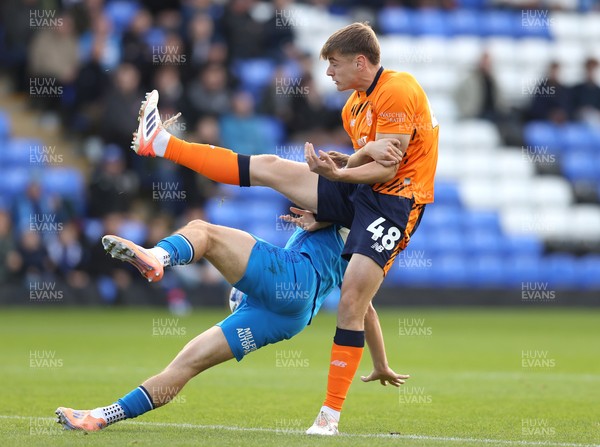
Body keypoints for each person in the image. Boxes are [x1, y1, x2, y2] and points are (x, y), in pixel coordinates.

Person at [129, 21, 438, 435]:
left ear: (361, 61)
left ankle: (329, 418)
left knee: (351, 303)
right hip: (363, 194)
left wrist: (342, 173)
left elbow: (389, 166)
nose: (328, 72)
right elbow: (368, 162)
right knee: (272, 166)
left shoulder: (398, 89)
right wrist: (342, 169)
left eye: (335, 64)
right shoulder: (353, 107)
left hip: (397, 204)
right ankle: (163, 144)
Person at [55, 208, 408, 432]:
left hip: (294, 277)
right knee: (188, 363)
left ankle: (156, 254)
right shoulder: (368, 241)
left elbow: (330, 188)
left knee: (202, 231)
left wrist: (322, 210)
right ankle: (101, 416)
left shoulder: (354, 205)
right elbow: (365, 310)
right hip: (291, 316)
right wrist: (381, 363)